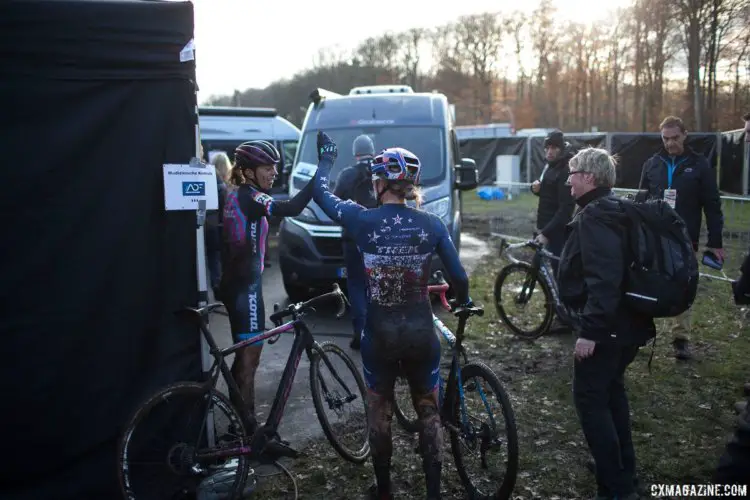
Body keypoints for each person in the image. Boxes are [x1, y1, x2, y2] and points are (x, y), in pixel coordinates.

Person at [313, 131, 472, 500]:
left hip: (379, 334)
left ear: (380, 182)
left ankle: (384, 490)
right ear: (411, 185)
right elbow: (459, 279)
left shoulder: (361, 219)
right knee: (429, 410)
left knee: (379, 410)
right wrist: (461, 299)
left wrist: (326, 160)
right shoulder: (432, 224)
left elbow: (322, 195)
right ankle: (433, 491)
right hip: (420, 333)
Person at [558, 148, 655, 500]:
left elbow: (604, 279)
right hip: (628, 324)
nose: (568, 179)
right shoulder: (615, 209)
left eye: (573, 173)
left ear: (590, 178)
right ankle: (621, 471)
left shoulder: (596, 217)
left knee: (590, 400)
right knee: (612, 395)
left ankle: (614, 487)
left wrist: (590, 332)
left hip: (608, 328)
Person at [220, 140, 315, 447]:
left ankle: (240, 427)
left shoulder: (242, 195)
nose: (274, 172)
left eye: (275, 166)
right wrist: (320, 175)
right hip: (245, 288)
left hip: (239, 284)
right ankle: (248, 436)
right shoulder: (249, 196)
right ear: (247, 171)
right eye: (266, 167)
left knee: (243, 360)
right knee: (249, 362)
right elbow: (292, 208)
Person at [639, 116, 724, 360]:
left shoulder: (699, 165)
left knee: (683, 283)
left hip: (686, 237)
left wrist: (716, 241)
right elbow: (641, 200)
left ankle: (680, 339)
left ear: (685, 135)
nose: (670, 143)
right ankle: (643, 328)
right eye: (665, 138)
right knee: (648, 281)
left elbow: (712, 204)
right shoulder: (652, 163)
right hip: (654, 235)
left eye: (675, 138)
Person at [333, 134, 378, 350]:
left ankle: (360, 333)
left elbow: (334, 203)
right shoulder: (381, 172)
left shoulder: (347, 175)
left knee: (357, 285)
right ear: (372, 150)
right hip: (379, 239)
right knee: (377, 284)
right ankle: (380, 333)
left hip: (352, 239)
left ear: (355, 153)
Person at [206, 152, 230, 299]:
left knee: (211, 257)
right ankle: (220, 289)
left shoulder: (207, 179)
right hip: (218, 226)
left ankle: (213, 286)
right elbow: (224, 209)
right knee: (219, 257)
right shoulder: (222, 185)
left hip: (206, 224)